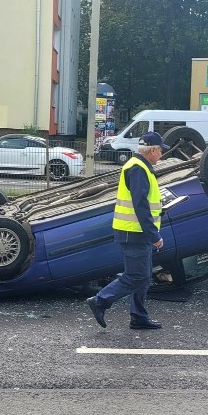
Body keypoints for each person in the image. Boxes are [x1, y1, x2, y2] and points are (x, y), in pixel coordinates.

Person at [85, 131, 168, 330]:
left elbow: (143, 201)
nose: (162, 155)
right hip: (134, 232)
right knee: (136, 276)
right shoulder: (138, 169)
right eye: (161, 151)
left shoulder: (140, 167)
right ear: (153, 150)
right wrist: (153, 234)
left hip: (136, 231)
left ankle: (139, 317)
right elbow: (139, 205)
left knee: (144, 276)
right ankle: (100, 301)